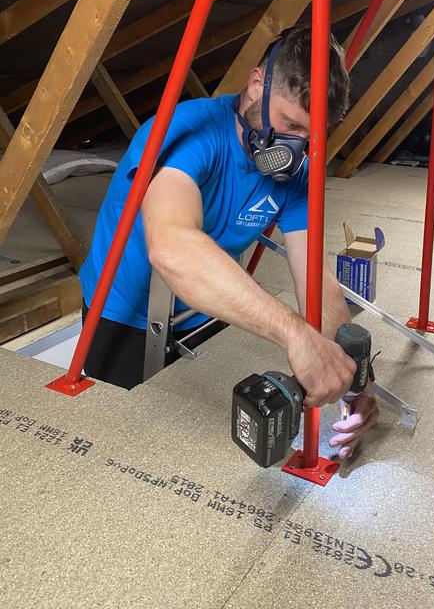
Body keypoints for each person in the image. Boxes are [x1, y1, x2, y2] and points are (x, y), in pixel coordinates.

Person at [80, 26, 379, 459]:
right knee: (118, 450)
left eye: (310, 134)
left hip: (204, 310)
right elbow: (171, 246)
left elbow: (314, 276)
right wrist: (295, 333)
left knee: (193, 450)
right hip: (122, 317)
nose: (295, 146)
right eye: (290, 124)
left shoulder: (296, 171)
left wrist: (354, 379)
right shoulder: (188, 132)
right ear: (257, 84)